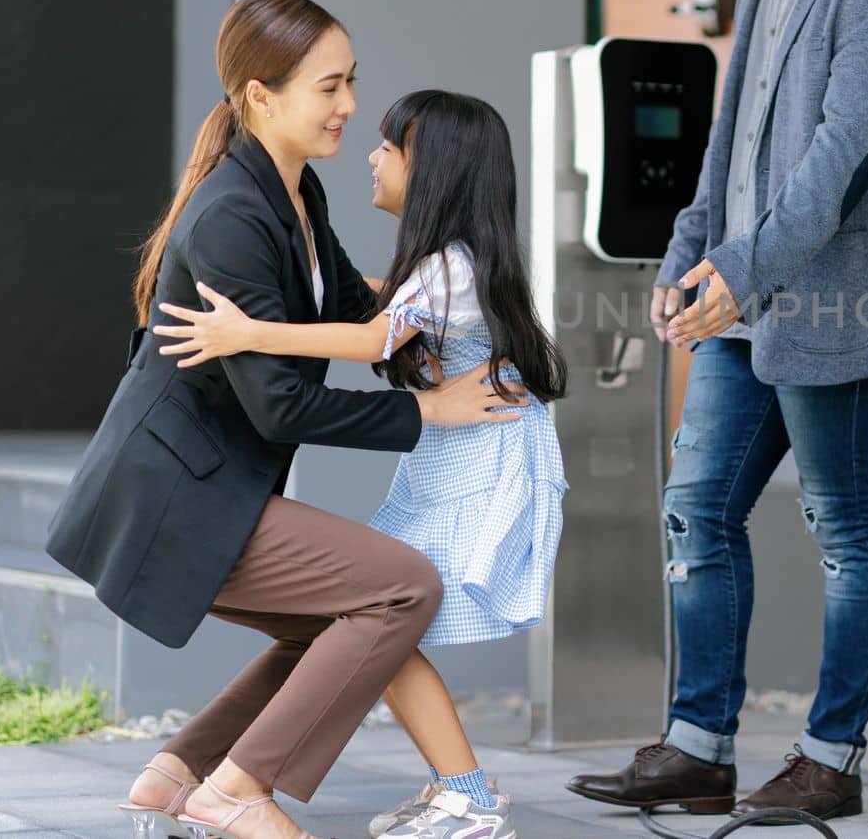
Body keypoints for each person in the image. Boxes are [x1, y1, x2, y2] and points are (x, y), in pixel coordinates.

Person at [45, 0, 525, 839]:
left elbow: (354, 306)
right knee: (402, 586)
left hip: (207, 489)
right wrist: (431, 411)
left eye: (351, 82)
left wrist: (464, 306)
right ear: (262, 96)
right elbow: (281, 405)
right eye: (329, 87)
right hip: (175, 499)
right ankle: (237, 788)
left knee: (346, 619)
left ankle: (179, 772)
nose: (348, 106)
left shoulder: (295, 194)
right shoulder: (232, 215)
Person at [566, 0, 868, 823]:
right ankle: (698, 744)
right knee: (697, 513)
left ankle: (831, 755)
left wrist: (740, 272)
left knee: (846, 528)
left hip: (835, 308)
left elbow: (841, 162)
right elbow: (727, 139)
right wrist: (689, 250)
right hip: (741, 297)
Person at [152, 90, 568, 839]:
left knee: (385, 609)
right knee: (382, 612)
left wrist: (250, 330)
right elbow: (380, 313)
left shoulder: (449, 269)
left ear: (434, 170)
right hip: (459, 459)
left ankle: (466, 796)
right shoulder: (447, 267)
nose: (372, 155)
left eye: (390, 145)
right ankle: (456, 789)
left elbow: (373, 339)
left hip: (478, 463)